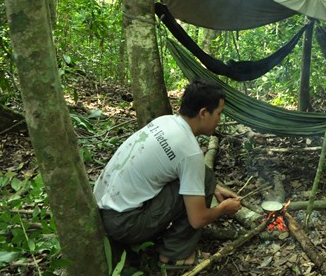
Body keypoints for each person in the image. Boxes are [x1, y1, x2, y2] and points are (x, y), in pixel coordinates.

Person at [93, 79, 242, 265]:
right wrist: (223, 209)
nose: (219, 120)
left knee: (203, 175)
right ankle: (175, 254)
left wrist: (216, 189)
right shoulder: (190, 152)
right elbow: (197, 219)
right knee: (205, 176)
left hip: (102, 208)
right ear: (203, 113)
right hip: (125, 225)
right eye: (219, 114)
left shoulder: (164, 121)